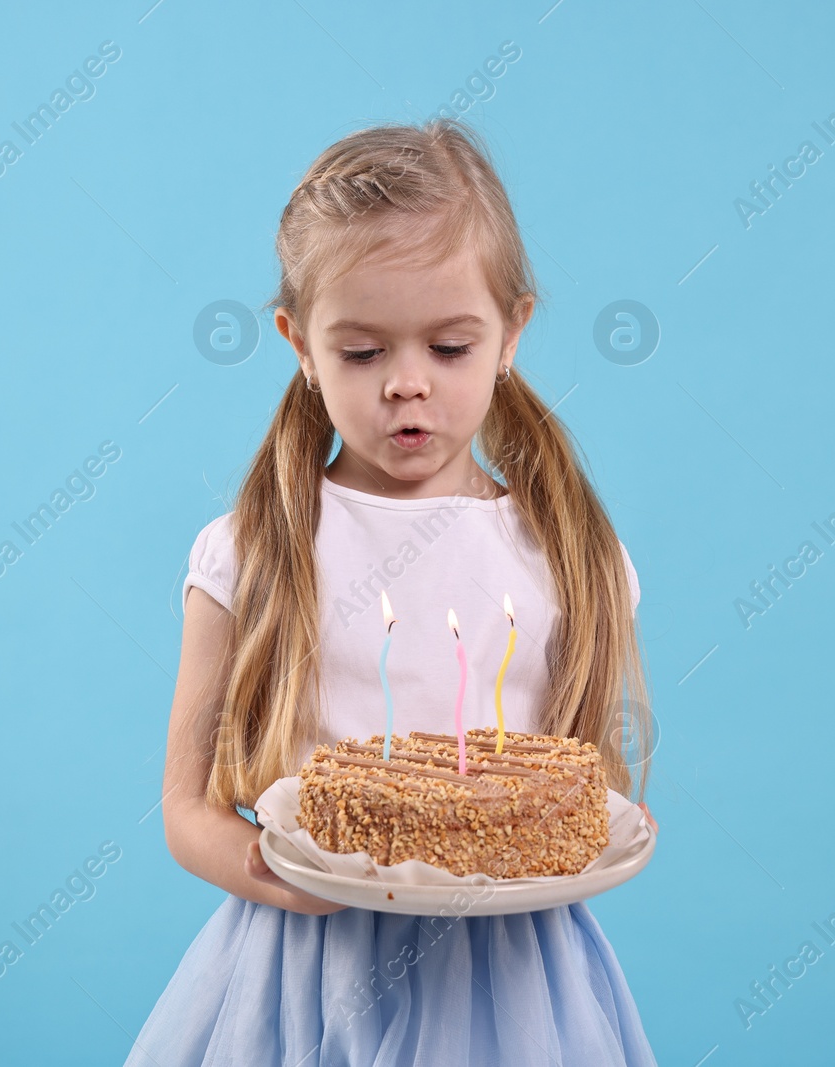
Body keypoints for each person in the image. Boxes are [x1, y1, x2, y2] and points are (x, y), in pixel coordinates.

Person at [123, 116, 658, 1066]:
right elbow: (183, 807)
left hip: (510, 984)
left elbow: (583, 786)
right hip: (303, 974)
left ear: (511, 333)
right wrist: (271, 870)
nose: (408, 386)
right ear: (299, 342)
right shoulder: (251, 551)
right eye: (364, 353)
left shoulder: (569, 552)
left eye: (449, 348)